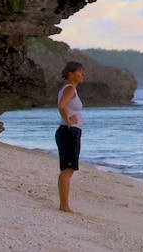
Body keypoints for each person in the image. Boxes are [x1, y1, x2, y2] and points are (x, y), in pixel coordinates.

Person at [55, 61, 84, 213]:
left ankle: (64, 204)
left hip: (69, 131)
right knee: (67, 169)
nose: (82, 74)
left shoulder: (69, 89)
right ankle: (64, 206)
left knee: (67, 169)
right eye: (79, 71)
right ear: (71, 74)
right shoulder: (70, 89)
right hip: (69, 131)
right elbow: (61, 105)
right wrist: (68, 120)